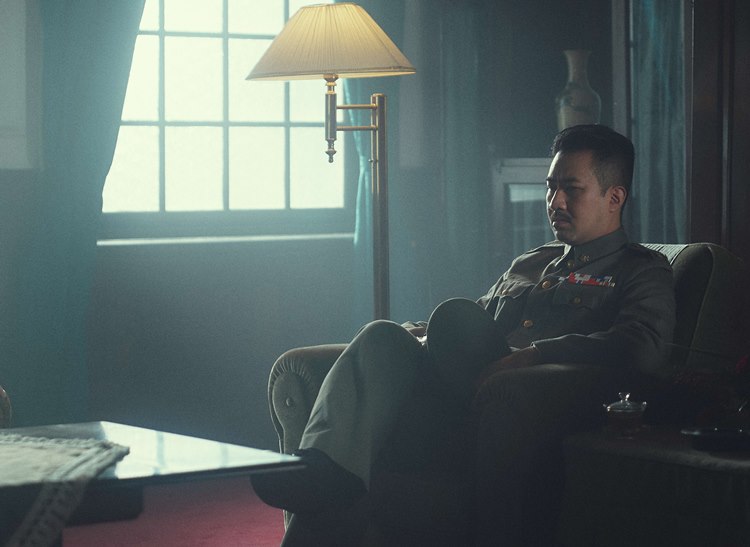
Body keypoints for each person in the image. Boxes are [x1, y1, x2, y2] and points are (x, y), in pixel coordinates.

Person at [251, 124, 676, 545]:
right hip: (449, 401)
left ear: (614, 197)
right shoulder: (531, 262)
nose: (555, 201)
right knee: (383, 334)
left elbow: (642, 347)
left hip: (515, 417)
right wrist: (415, 336)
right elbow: (474, 324)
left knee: (453, 318)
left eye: (572, 189)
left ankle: (334, 472)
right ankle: (323, 469)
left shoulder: (640, 269)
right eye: (551, 187)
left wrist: (532, 355)